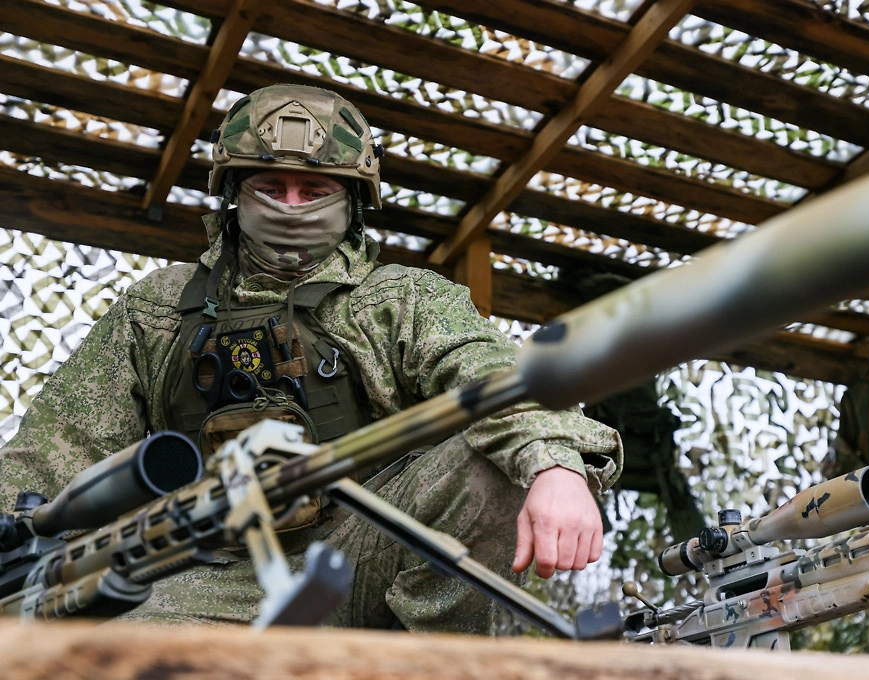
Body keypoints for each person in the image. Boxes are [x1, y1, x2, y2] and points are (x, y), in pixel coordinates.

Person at [0, 84, 623, 633]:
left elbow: (493, 378)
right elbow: (56, 451)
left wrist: (555, 466)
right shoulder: (157, 309)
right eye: (270, 187)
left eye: (314, 188)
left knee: (492, 464)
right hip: (191, 575)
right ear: (232, 194)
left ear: (352, 200)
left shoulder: (401, 300)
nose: (291, 206)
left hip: (358, 561)